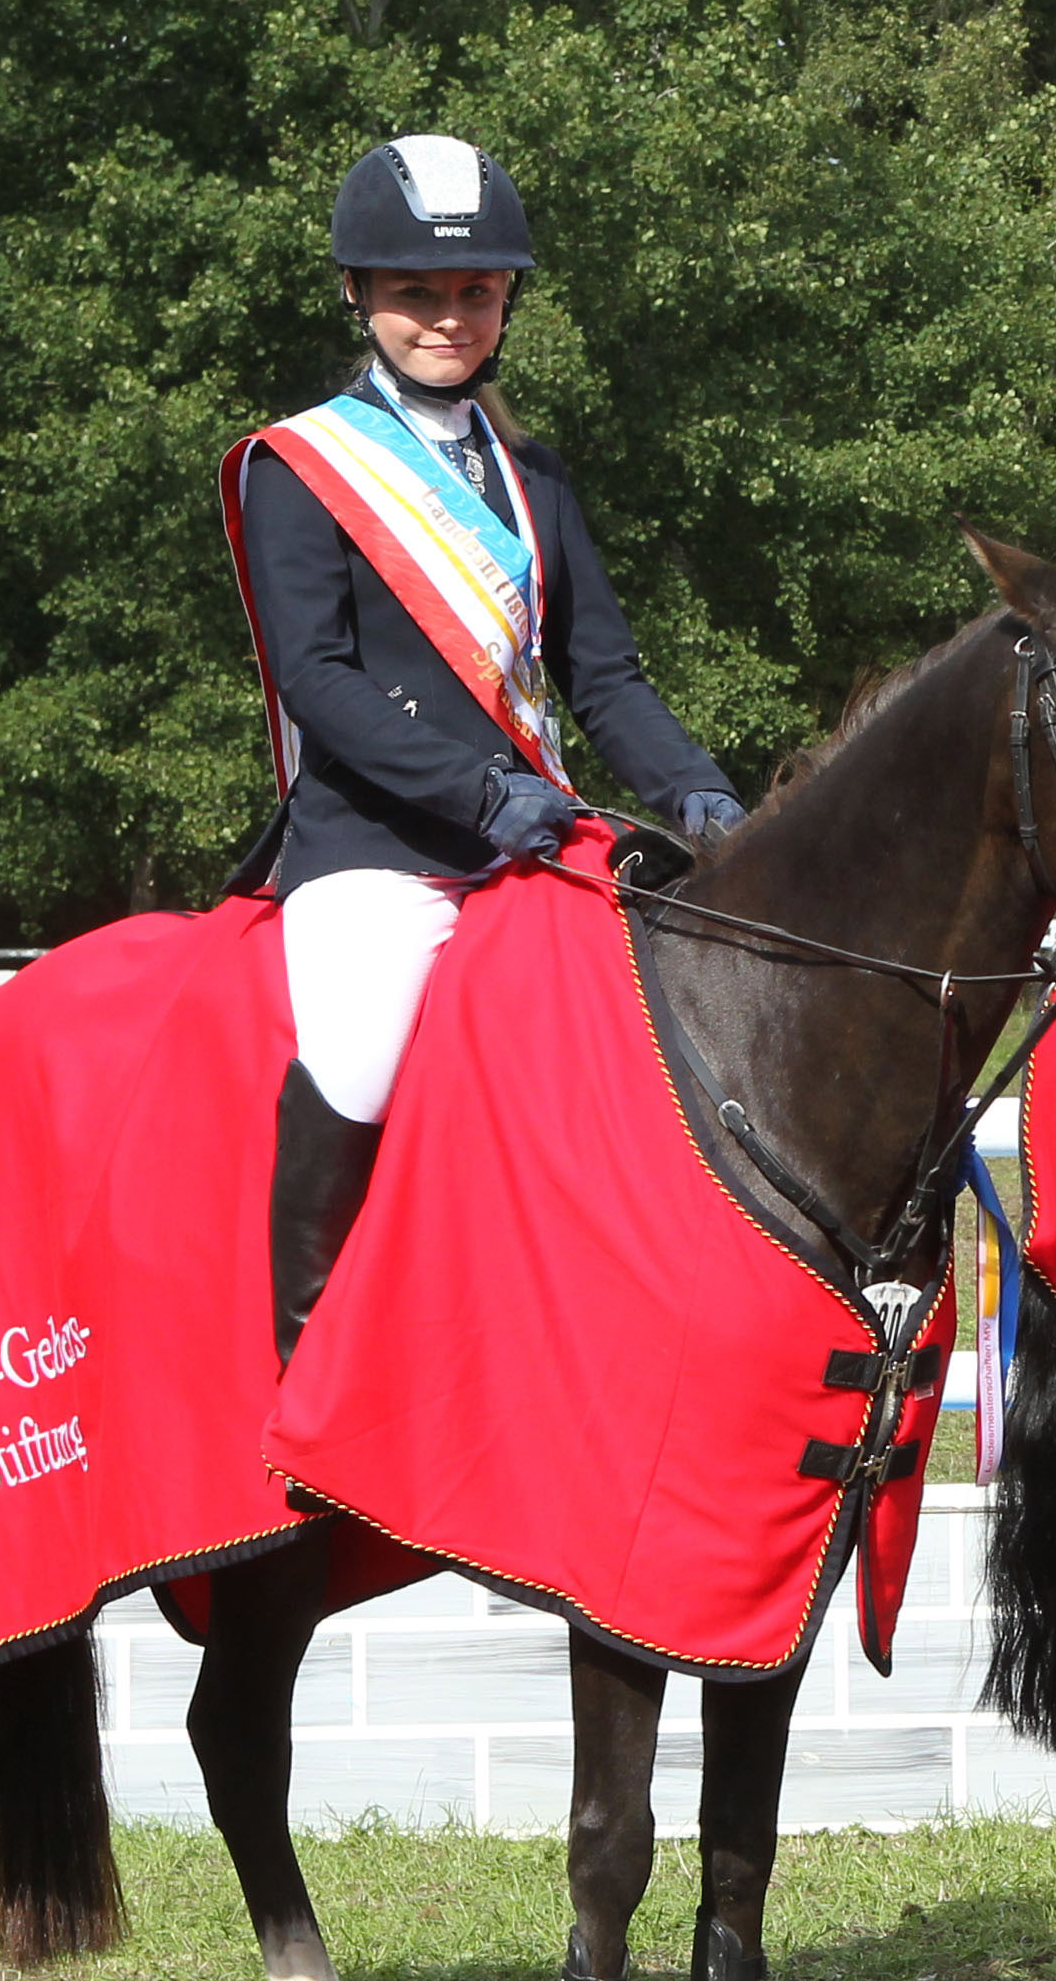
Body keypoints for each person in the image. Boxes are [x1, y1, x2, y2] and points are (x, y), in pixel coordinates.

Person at [223, 135, 747, 1362]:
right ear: (359, 294)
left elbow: (603, 679)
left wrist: (699, 793)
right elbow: (320, 683)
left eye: (475, 292)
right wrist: (478, 790)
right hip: (378, 852)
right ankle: (308, 1351)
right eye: (417, 293)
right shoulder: (300, 469)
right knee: (360, 1044)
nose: (448, 317)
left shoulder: (534, 477)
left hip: (535, 839)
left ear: (506, 300)